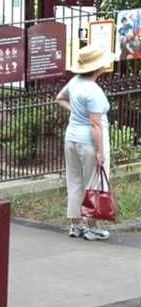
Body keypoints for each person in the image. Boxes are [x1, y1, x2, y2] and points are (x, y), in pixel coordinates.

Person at [56, 45, 114, 241]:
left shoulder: (75, 82)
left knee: (74, 181)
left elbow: (60, 98)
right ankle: (92, 227)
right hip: (90, 142)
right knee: (93, 184)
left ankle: (75, 225)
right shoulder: (94, 91)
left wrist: (75, 111)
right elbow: (96, 125)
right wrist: (100, 152)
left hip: (71, 138)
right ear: (97, 68)